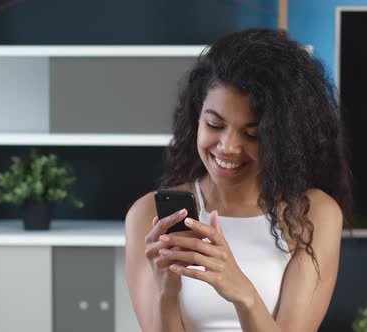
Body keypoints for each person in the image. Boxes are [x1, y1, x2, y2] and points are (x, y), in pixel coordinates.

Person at [125, 28, 352, 332]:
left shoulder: (313, 214)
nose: (227, 147)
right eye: (214, 124)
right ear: (197, 118)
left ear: (284, 138)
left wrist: (241, 292)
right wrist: (167, 292)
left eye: (251, 134)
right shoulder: (148, 215)